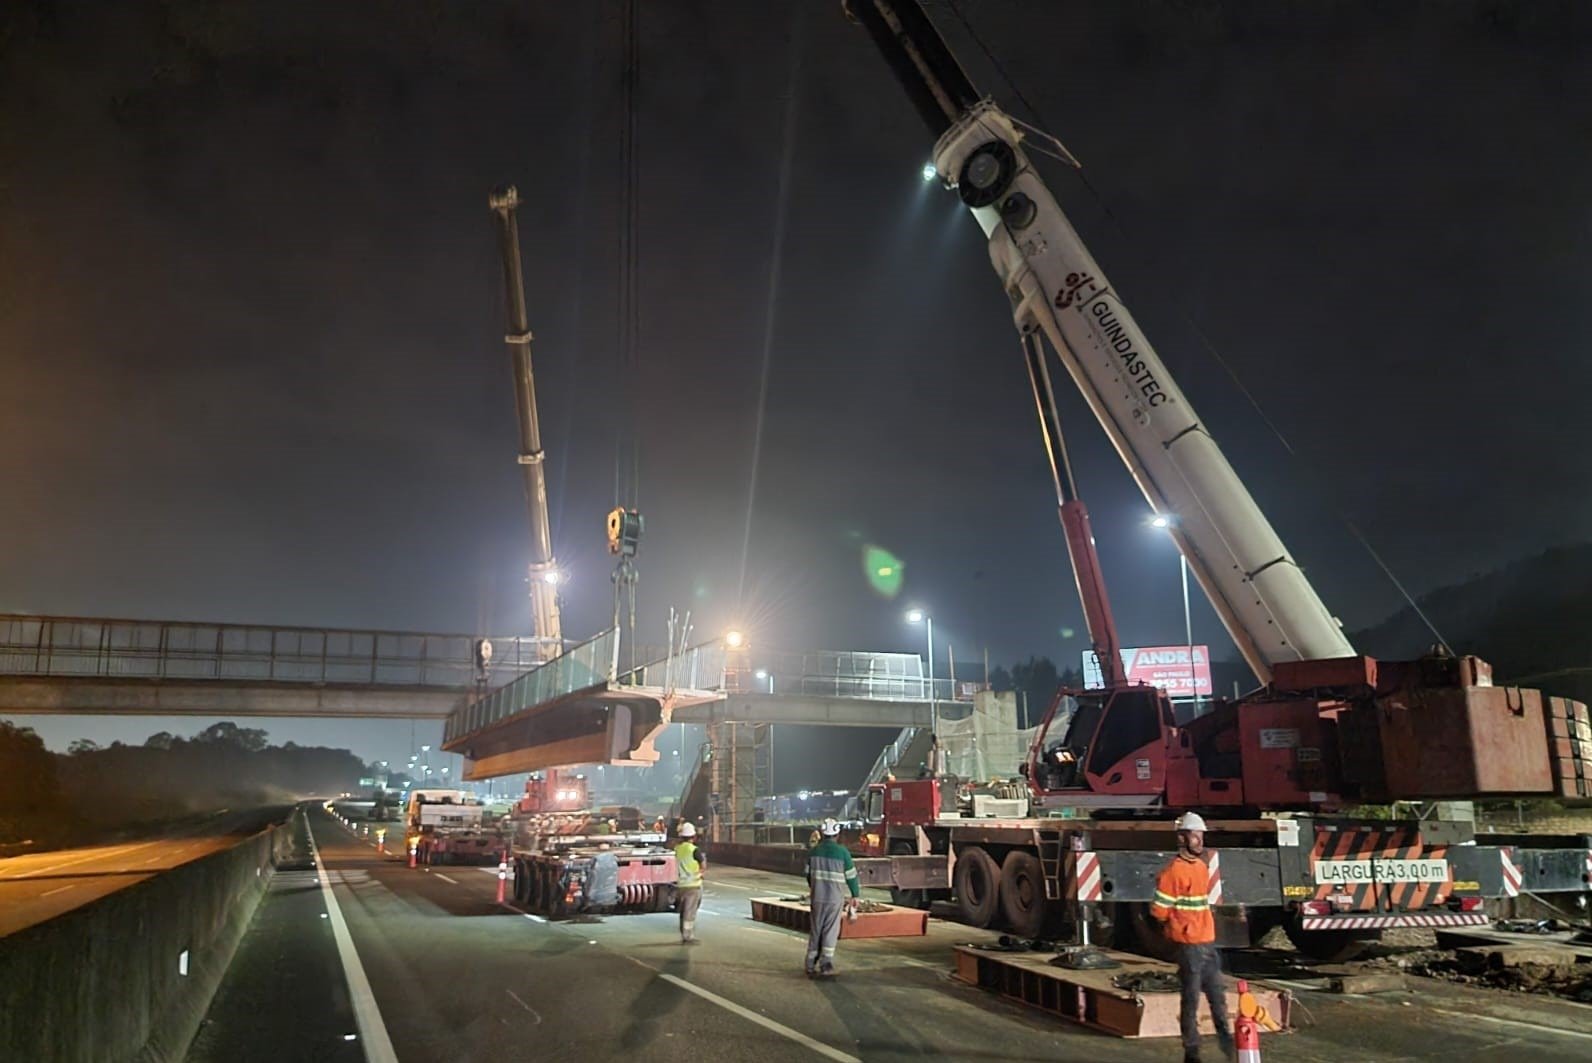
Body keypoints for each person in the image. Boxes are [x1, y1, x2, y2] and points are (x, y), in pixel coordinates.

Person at [1151, 812, 1234, 1063]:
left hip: (1206, 942)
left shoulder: (1200, 867)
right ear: (1182, 837)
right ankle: (1192, 1053)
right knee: (1191, 999)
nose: (1199, 840)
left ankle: (1229, 1046)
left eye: (1200, 835)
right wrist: (1178, 928)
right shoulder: (1172, 873)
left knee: (1217, 998)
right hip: (1189, 946)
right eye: (1194, 835)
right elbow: (1159, 911)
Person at [804, 817, 859, 978]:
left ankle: (809, 964)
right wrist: (855, 895)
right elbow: (851, 877)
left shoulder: (813, 852)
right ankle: (826, 964)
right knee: (830, 931)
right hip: (834, 899)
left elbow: (807, 875)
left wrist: (814, 887)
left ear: (822, 833)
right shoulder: (843, 853)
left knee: (816, 930)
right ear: (837, 834)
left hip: (817, 898)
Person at [674, 821, 706, 945]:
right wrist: (700, 874)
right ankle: (688, 936)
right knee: (690, 911)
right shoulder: (694, 850)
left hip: (680, 885)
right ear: (693, 837)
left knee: (683, 911)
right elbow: (703, 866)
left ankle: (683, 932)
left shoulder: (677, 849)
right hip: (693, 886)